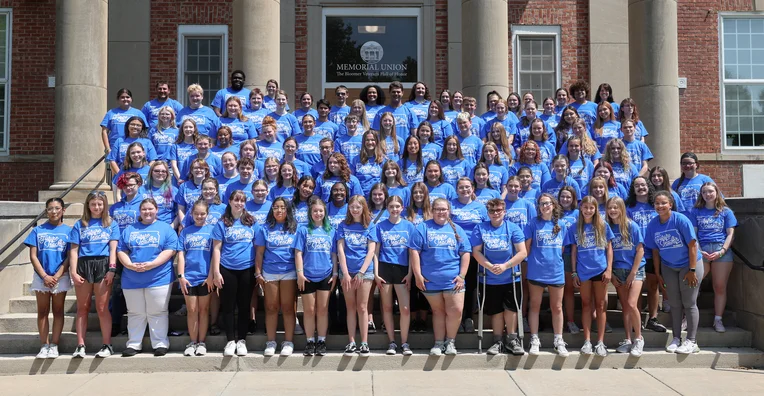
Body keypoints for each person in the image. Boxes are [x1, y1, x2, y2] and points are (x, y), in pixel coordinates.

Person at [409, 198, 471, 356]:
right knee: (438, 312)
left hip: (453, 280)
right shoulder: (422, 228)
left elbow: (465, 253)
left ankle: (450, 342)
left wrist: (462, 275)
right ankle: (438, 343)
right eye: (437, 209)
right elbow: (414, 251)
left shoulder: (457, 229)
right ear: (432, 210)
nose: (441, 212)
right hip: (431, 280)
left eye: (444, 209)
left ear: (449, 211)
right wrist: (417, 275)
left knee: (456, 311)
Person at [117, 198, 179, 357]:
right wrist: (130, 265)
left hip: (159, 277)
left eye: (150, 209)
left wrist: (152, 264)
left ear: (156, 210)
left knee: (158, 311)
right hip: (132, 278)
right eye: (144, 209)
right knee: (135, 312)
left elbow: (170, 250)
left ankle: (160, 343)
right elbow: (121, 250)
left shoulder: (166, 229)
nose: (147, 212)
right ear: (140, 211)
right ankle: (134, 344)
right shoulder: (130, 229)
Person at [645, 191, 704, 354]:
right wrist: (657, 273)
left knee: (689, 303)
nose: (660, 206)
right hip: (669, 266)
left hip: (689, 265)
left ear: (670, 204)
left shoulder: (680, 220)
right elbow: (655, 251)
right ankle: (676, 338)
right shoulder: (653, 225)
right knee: (674, 304)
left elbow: (693, 245)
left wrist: (692, 270)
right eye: (657, 203)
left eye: (663, 203)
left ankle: (692, 341)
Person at [471, 198, 528, 355]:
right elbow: (476, 251)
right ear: (487, 213)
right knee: (495, 310)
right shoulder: (480, 228)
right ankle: (497, 341)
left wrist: (505, 266)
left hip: (510, 275)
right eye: (492, 211)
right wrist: (489, 266)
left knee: (511, 308)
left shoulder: (513, 228)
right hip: (489, 277)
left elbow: (522, 252)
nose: (495, 213)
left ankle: (511, 339)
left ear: (504, 211)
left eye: (498, 210)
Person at [68, 192, 118, 358]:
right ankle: (80, 345)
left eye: (100, 204)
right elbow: (74, 250)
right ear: (88, 206)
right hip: (84, 264)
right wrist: (73, 271)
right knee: (82, 307)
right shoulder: (80, 224)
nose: (97, 207)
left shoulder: (111, 223)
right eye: (93, 204)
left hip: (103, 264)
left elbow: (113, 249)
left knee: (102, 307)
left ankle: (107, 345)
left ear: (104, 205)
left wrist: (111, 269)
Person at [210, 190, 258, 357]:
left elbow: (258, 247)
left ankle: (242, 340)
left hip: (247, 268)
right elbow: (216, 248)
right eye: (236, 200)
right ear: (229, 201)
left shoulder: (252, 222)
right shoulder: (222, 223)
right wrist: (216, 272)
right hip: (227, 268)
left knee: (244, 306)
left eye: (242, 200)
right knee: (228, 306)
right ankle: (231, 340)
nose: (239, 203)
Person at [524, 194, 570, 356]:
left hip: (556, 271)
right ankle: (534, 339)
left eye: (547, 203)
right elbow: (527, 248)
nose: (545, 206)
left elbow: (563, 249)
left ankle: (558, 340)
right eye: (542, 204)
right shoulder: (533, 224)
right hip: (536, 270)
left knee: (557, 307)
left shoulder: (562, 225)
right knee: (535, 305)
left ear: (553, 205)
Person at [26, 198, 71, 359]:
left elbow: (69, 257)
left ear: (63, 210)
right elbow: (33, 256)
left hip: (61, 276)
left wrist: (57, 275)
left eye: (57, 208)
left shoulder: (69, 231)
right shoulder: (37, 231)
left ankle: (54, 345)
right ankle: (44, 345)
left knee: (58, 311)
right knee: (43, 311)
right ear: (46, 211)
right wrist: (44, 276)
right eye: (50, 209)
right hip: (41, 277)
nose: (54, 211)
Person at [369, 196, 415, 355]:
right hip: (385, 268)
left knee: (405, 309)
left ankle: (405, 342)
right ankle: (392, 342)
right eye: (391, 206)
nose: (394, 209)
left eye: (397, 206)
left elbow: (411, 253)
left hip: (403, 270)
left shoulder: (409, 226)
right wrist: (376, 273)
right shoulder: (380, 226)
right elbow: (375, 252)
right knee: (387, 307)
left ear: (402, 208)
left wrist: (410, 273)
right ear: (387, 208)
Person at [253, 197, 298, 356]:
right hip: (270, 271)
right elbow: (259, 252)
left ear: (288, 210)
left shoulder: (295, 228)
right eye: (276, 207)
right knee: (271, 308)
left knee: (287, 308)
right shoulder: (264, 228)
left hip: (289, 271)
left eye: (282, 207)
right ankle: (271, 342)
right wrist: (258, 272)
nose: (279, 210)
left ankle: (288, 341)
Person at [689, 182, 737, 332]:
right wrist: (700, 250)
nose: (707, 194)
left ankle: (718, 320)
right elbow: (693, 234)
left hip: (720, 250)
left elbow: (730, 234)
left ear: (716, 192)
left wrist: (722, 251)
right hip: (701, 250)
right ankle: (687, 318)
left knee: (719, 286)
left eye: (710, 191)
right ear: (701, 195)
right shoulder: (696, 211)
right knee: (692, 285)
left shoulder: (726, 212)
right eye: (704, 192)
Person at [294, 198, 338, 356]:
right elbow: (298, 252)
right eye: (315, 211)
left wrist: (335, 273)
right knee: (309, 310)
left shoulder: (331, 230)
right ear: (310, 213)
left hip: (326, 274)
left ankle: (321, 340)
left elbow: (334, 255)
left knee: (323, 310)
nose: (318, 213)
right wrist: (300, 273)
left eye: (321, 211)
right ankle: (310, 341)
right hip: (308, 275)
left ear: (325, 212)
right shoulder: (303, 230)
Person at [626, 176, 668, 333]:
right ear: (633, 189)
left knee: (652, 285)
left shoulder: (654, 205)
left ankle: (652, 318)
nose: (640, 188)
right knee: (635, 288)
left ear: (648, 186)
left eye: (643, 185)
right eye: (637, 185)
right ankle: (636, 319)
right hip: (636, 253)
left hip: (654, 251)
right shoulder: (629, 207)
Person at [606, 196, 646, 356]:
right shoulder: (607, 227)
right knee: (625, 306)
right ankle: (628, 339)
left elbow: (640, 250)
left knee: (631, 304)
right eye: (610, 208)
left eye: (616, 207)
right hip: (617, 271)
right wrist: (611, 274)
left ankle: (639, 338)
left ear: (622, 209)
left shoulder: (631, 226)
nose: (613, 210)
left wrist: (633, 273)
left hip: (634, 270)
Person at [336, 196, 377, 356]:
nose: (354, 210)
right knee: (350, 307)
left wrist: (361, 272)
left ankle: (364, 343)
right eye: (352, 207)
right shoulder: (343, 225)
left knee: (362, 307)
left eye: (358, 207)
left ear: (363, 208)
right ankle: (352, 342)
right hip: (347, 271)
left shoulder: (370, 226)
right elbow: (340, 249)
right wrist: (345, 273)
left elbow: (371, 250)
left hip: (364, 272)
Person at [449, 178, 489, 333]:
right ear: (456, 189)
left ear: (473, 189)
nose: (464, 190)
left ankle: (468, 317)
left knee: (470, 285)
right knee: (454, 283)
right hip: (454, 251)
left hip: (474, 252)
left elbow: (486, 227)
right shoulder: (451, 205)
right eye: (461, 187)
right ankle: (455, 317)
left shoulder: (480, 207)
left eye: (467, 187)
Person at [177, 200, 214, 356]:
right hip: (189, 277)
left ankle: (202, 342)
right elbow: (181, 254)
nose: (199, 216)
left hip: (206, 277)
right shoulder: (185, 232)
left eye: (202, 213)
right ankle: (193, 342)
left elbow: (215, 255)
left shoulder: (212, 230)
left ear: (207, 214)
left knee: (204, 310)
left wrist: (211, 275)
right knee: (192, 310)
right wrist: (181, 276)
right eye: (196, 213)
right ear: (191, 214)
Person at [558, 186, 581, 334]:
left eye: (568, 197)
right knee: (563, 290)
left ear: (573, 199)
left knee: (570, 290)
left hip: (576, 254)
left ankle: (571, 320)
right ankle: (566, 321)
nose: (565, 199)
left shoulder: (578, 213)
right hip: (558, 254)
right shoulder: (556, 214)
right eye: (563, 197)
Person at [101, 88, 148, 153]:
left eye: (127, 97)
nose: (125, 99)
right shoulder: (111, 112)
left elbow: (144, 132)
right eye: (122, 97)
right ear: (118, 99)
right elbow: (104, 131)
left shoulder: (138, 113)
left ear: (131, 99)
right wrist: (107, 148)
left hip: (134, 148)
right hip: (114, 148)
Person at [140, 161, 178, 227]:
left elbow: (180, 211)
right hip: (146, 227)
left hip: (168, 226)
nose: (160, 173)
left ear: (167, 174)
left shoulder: (174, 190)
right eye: (157, 171)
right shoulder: (141, 190)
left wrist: (171, 227)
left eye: (163, 171)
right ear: (151, 172)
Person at [176, 159, 212, 225]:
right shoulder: (183, 186)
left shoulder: (212, 185)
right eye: (195, 168)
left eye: (201, 168)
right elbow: (181, 209)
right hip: (189, 224)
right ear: (191, 171)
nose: (198, 170)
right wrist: (184, 225)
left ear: (206, 171)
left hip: (208, 223)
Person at [351, 131, 385, 197]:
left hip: (377, 197)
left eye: (372, 140)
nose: (370, 142)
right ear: (363, 142)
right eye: (367, 140)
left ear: (377, 142)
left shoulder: (383, 159)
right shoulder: (356, 159)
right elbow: (352, 179)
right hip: (361, 196)